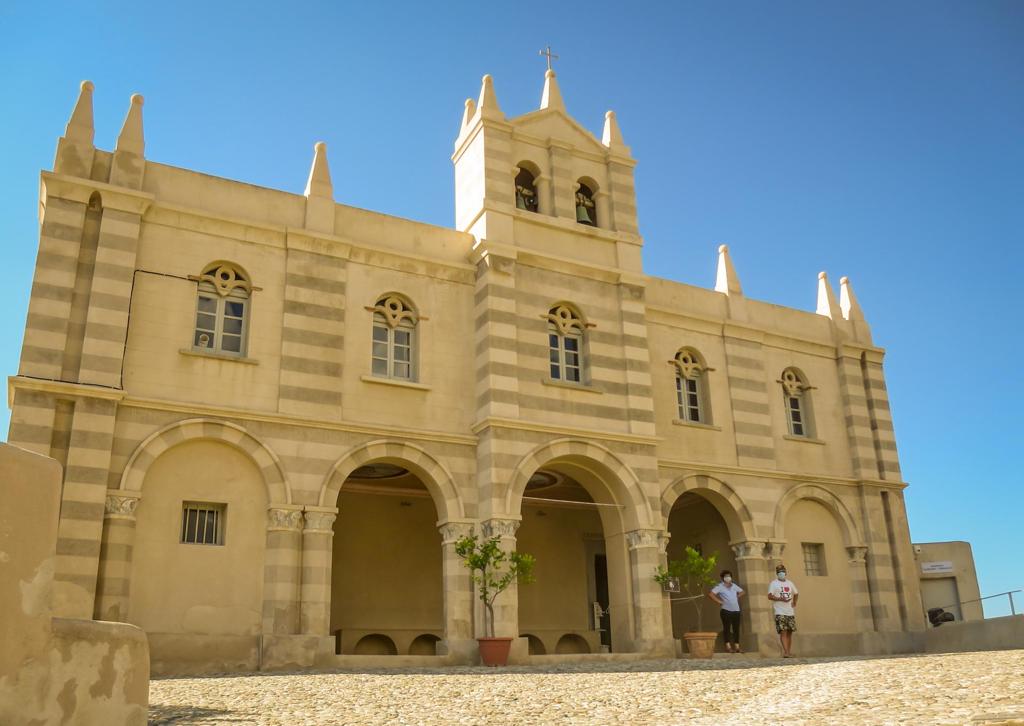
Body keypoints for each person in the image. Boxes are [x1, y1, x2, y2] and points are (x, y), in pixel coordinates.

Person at [708, 569, 745, 653]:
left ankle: (737, 646)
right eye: (726, 576)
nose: (728, 578)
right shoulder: (720, 586)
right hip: (726, 610)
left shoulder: (734, 586)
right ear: (722, 578)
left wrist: (737, 597)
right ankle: (728, 646)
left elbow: (743, 592)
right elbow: (711, 594)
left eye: (729, 576)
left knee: (736, 629)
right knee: (727, 629)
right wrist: (719, 601)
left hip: (736, 610)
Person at [767, 563, 799, 658]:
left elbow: (796, 593)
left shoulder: (790, 583)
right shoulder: (774, 583)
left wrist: (794, 602)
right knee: (783, 631)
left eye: (783, 572)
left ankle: (788, 652)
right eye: (780, 572)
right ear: (777, 573)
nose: (782, 573)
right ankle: (785, 652)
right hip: (780, 612)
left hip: (790, 612)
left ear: (786, 573)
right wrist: (780, 599)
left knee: (789, 632)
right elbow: (769, 596)